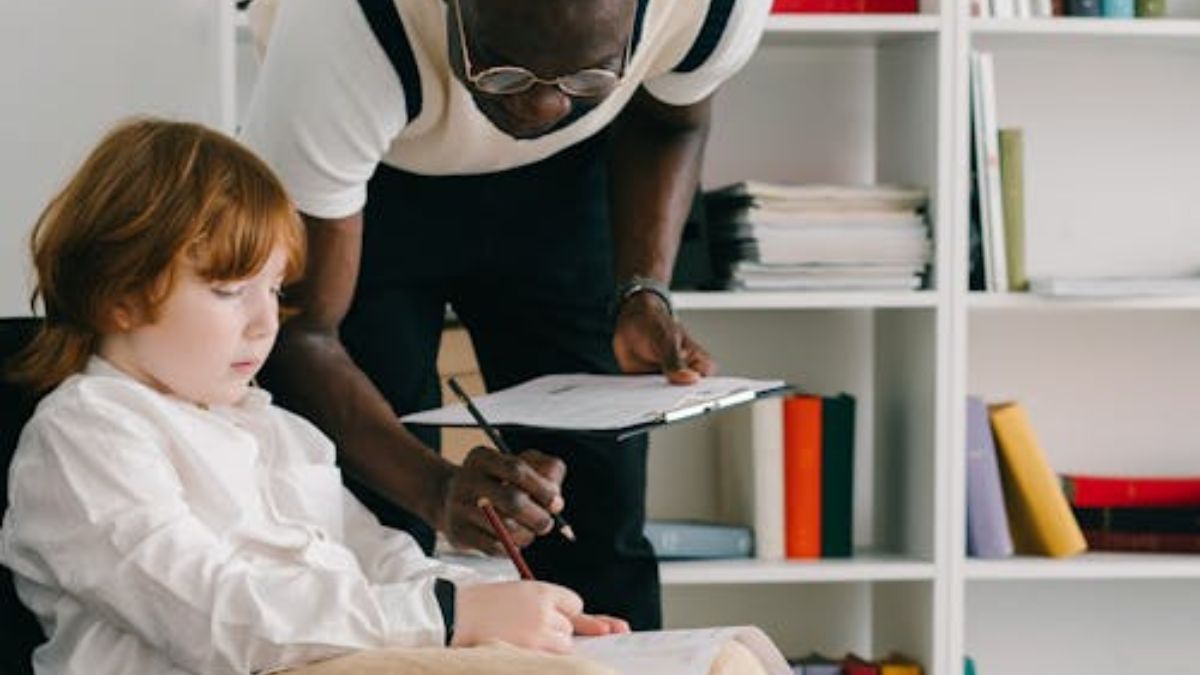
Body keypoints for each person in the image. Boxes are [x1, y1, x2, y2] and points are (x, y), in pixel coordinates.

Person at [0, 118, 628, 675]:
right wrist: (448, 613)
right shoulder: (86, 433)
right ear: (121, 295)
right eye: (229, 290)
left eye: (273, 290)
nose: (264, 322)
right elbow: (213, 616)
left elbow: (374, 555)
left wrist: (508, 608)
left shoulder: (270, 426)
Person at [241, 0, 771, 630]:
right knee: (372, 521)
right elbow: (303, 333)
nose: (543, 107)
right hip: (374, 179)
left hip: (567, 181)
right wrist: (436, 488)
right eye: (504, 71)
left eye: (587, 77)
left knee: (596, 515)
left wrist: (642, 288)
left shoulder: (715, 9)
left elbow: (669, 122)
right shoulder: (343, 31)